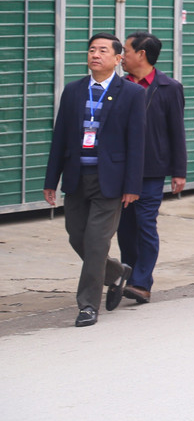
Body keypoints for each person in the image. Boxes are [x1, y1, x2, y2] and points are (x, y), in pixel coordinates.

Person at [44, 33, 146, 328]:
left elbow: (136, 143)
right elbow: (60, 137)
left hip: (110, 181)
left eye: (103, 50)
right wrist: (52, 180)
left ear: (118, 59)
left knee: (96, 241)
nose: (95, 55)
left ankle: (87, 306)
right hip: (77, 177)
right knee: (77, 236)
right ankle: (116, 272)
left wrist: (132, 186)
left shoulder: (131, 93)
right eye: (91, 50)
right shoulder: (74, 91)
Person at [115, 32, 186, 305]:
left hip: (152, 170)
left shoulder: (169, 87)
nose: (122, 56)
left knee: (145, 224)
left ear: (141, 55)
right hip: (122, 170)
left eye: (126, 51)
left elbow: (176, 131)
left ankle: (142, 282)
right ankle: (129, 274)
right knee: (126, 228)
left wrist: (179, 170)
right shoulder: (118, 87)